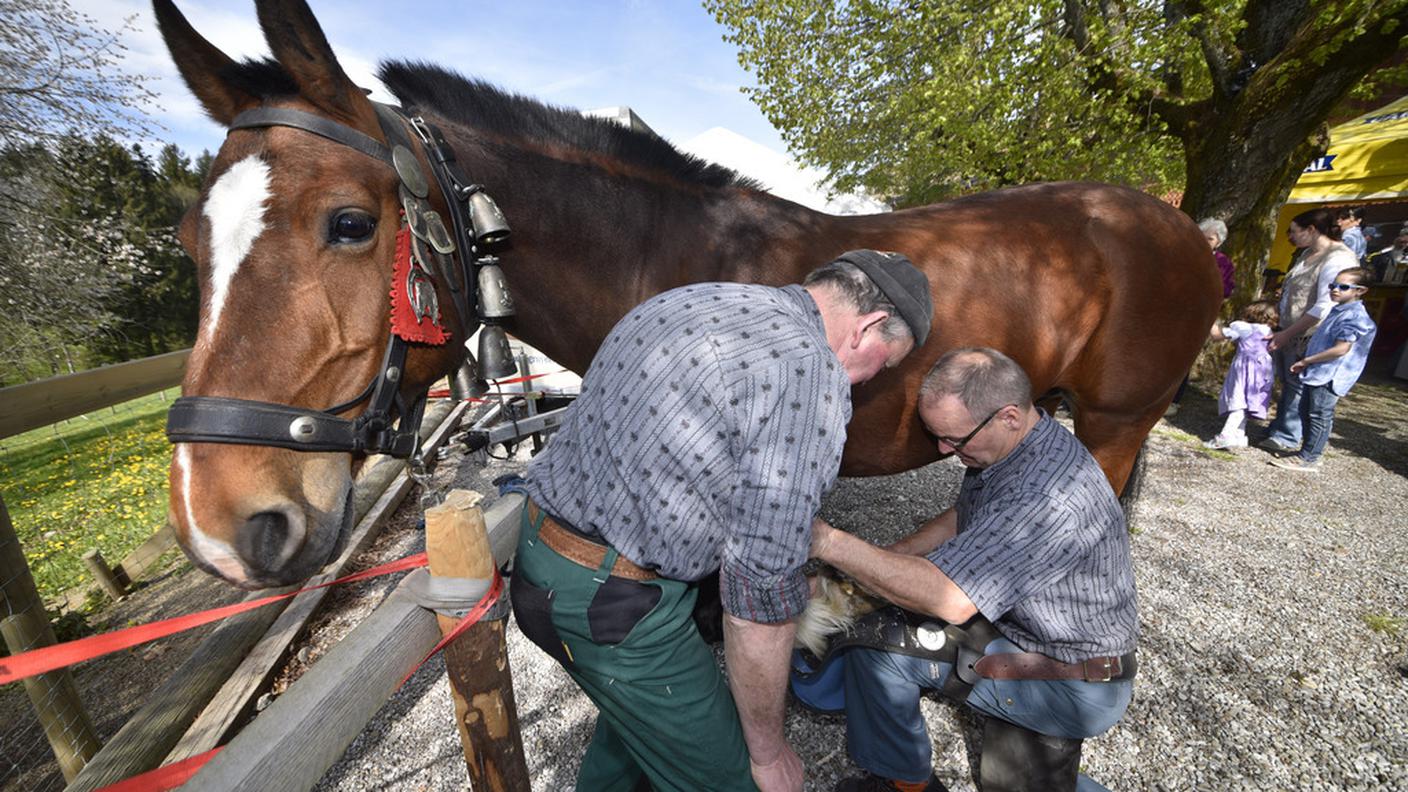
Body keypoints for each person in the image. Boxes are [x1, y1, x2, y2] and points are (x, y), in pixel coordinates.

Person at [510, 250, 933, 791]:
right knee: (735, 780)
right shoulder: (810, 374)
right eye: (885, 362)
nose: (871, 380)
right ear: (869, 327)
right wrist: (767, 753)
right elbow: (755, 603)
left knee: (633, 733)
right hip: (617, 606)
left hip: (542, 554)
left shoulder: (696, 297)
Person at [810, 348, 1136, 792]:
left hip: (1068, 679)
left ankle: (905, 786)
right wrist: (897, 556)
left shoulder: (1047, 498)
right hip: (1037, 640)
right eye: (938, 437)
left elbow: (949, 598)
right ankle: (907, 778)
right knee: (883, 620)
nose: (945, 451)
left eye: (955, 440)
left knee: (880, 643)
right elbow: (963, 515)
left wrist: (828, 541)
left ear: (1009, 416)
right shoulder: (1019, 446)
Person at [1260, 208, 1360, 452]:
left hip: (1311, 333)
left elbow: (1325, 305)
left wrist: (1288, 332)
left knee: (1298, 383)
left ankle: (1288, 435)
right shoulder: (1307, 252)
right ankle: (1281, 426)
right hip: (1292, 327)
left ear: (1311, 230)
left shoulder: (1338, 258)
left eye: (1295, 231)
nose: (1291, 237)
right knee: (1288, 381)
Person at [1270, 267, 1377, 471]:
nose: (1335, 290)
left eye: (1343, 286)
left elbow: (1341, 349)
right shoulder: (1338, 310)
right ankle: (1308, 451)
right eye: (1333, 285)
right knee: (1306, 410)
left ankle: (1310, 457)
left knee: (1319, 414)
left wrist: (1307, 360)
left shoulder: (1354, 317)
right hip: (1318, 371)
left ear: (1360, 290)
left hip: (1330, 375)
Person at [1203, 301, 1279, 449]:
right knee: (1248, 401)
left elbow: (1217, 335)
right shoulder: (1268, 330)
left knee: (1238, 401)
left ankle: (1225, 436)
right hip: (1263, 371)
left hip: (1244, 369)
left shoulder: (1243, 327)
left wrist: (1210, 316)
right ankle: (1239, 435)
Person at [1199, 217, 1236, 300]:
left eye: (1210, 239)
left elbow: (1227, 289)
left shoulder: (1223, 262)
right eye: (1202, 237)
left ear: (1218, 242)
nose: (1205, 241)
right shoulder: (1188, 255)